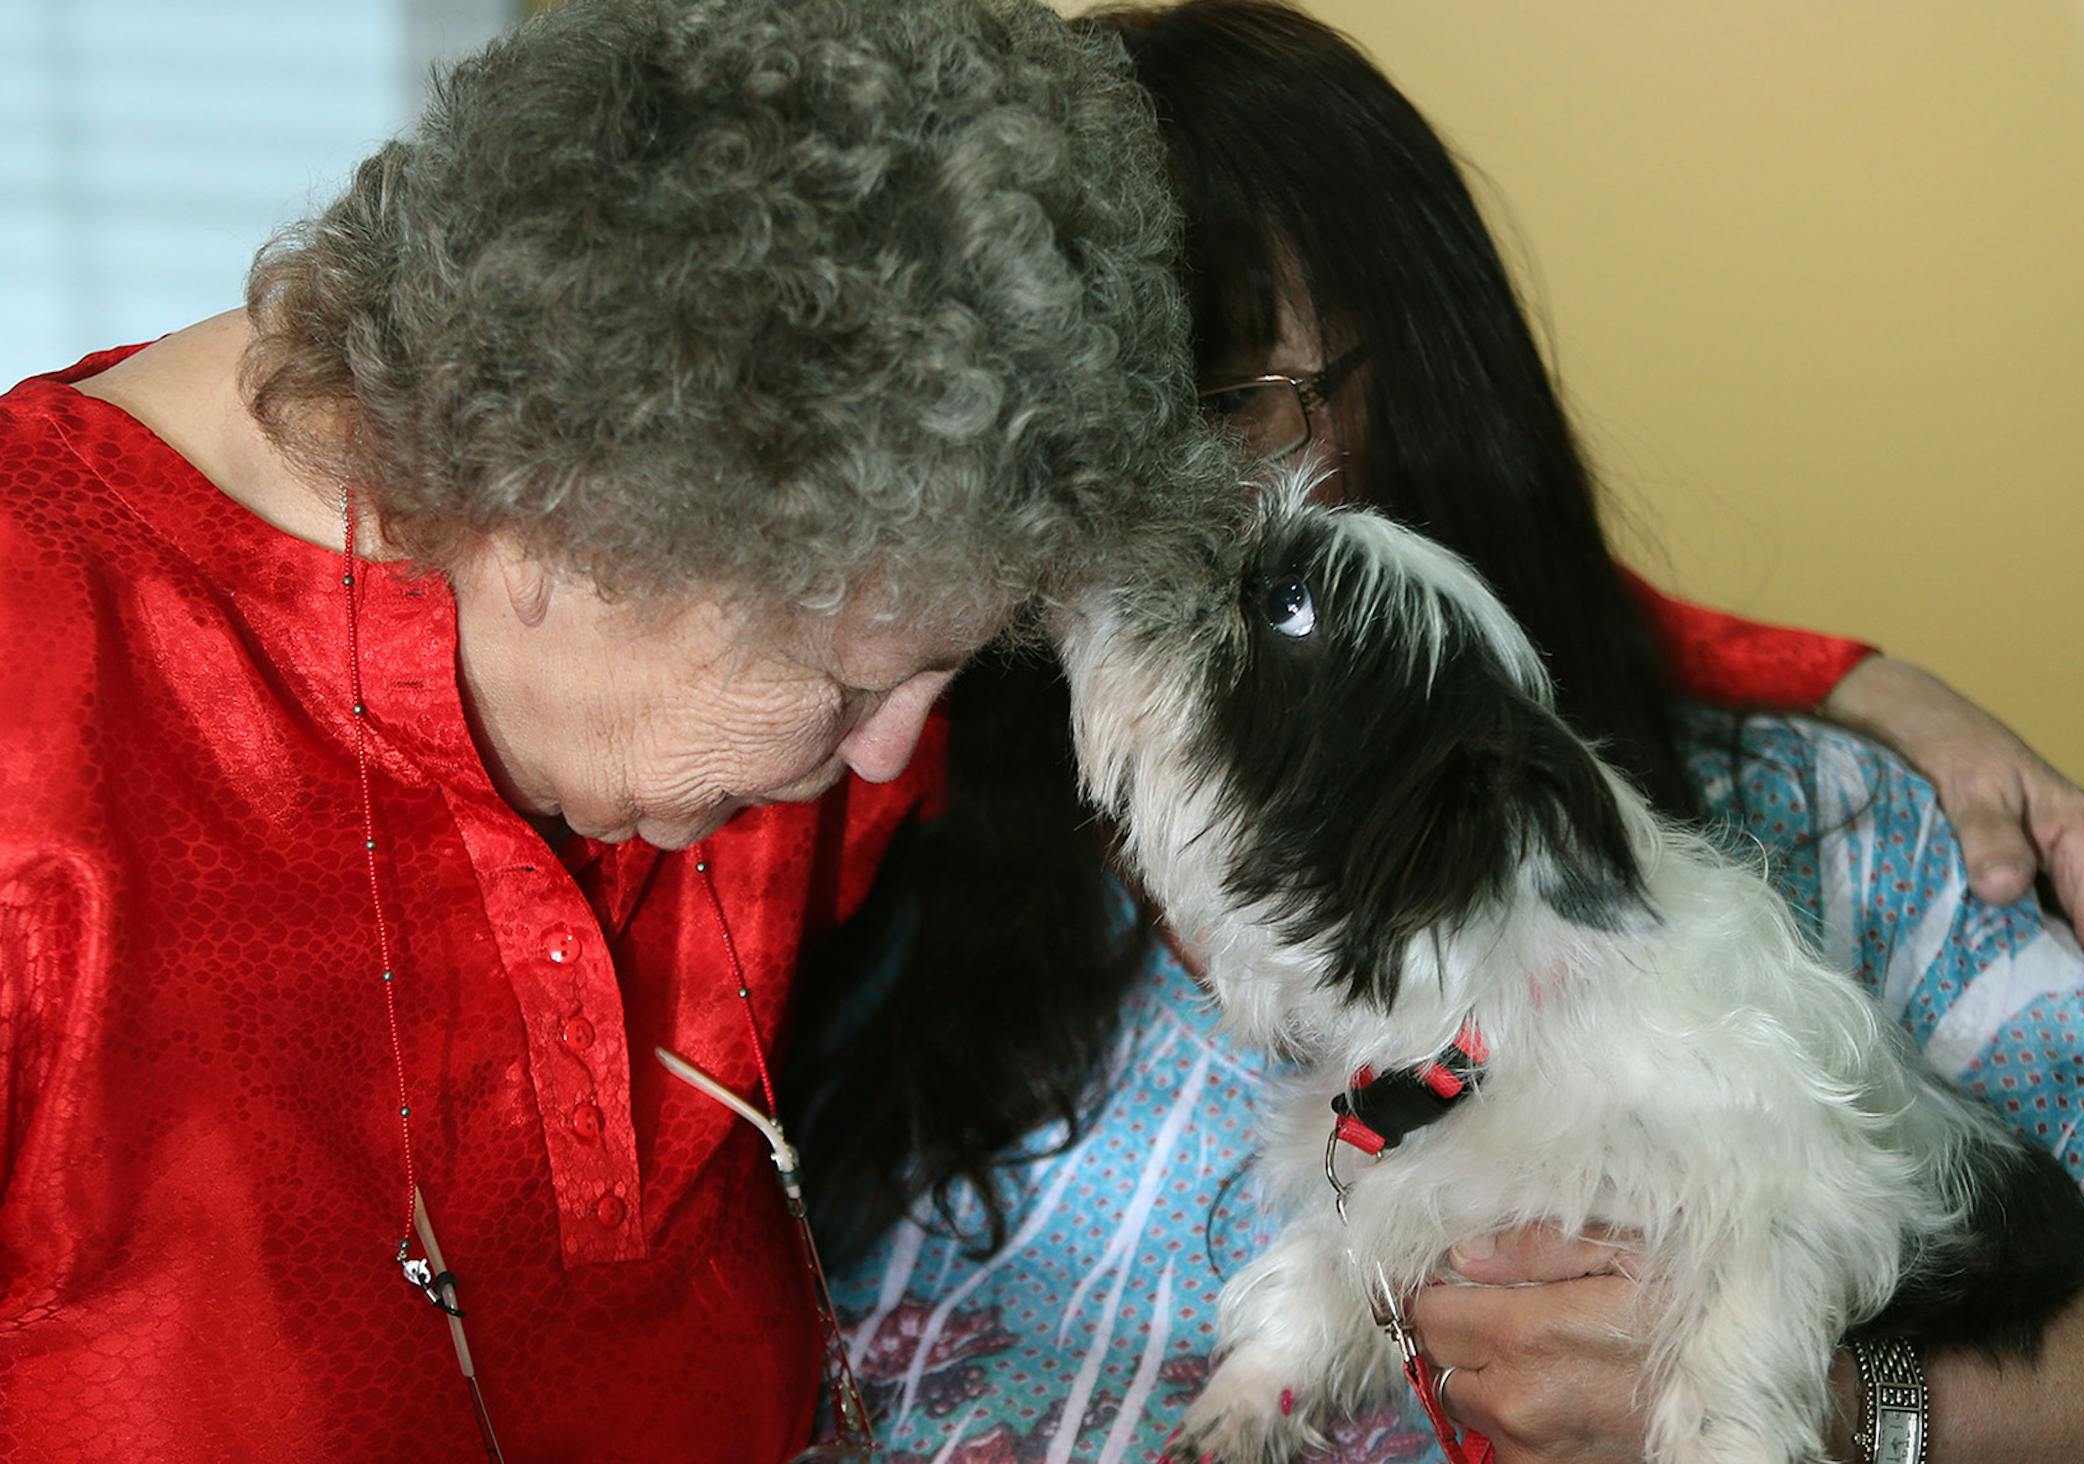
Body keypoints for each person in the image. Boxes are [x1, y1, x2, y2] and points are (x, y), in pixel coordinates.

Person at [804, 3, 2084, 1460]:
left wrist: (1853, 1409)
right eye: (1091, 448)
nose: (1161, 525)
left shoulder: (1859, 844)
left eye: (1225, 405)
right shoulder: (851, 828)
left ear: (1417, 367)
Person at [0, 3, 1231, 1460]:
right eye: (842, 687)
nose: (893, 757)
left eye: (942, 672)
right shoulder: (47, 717)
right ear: (557, 515)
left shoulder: (784, 623)